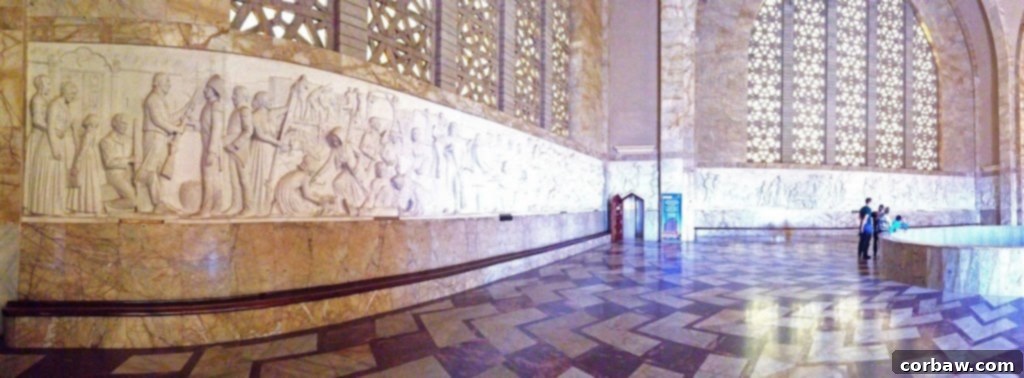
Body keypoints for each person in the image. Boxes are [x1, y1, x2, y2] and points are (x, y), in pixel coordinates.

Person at [67, 114, 105, 214]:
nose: (87, 127)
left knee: (84, 180)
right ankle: (91, 206)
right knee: (91, 181)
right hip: (92, 158)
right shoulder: (95, 133)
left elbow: (82, 149)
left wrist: (77, 164)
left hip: (86, 158)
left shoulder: (88, 134)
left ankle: (82, 206)